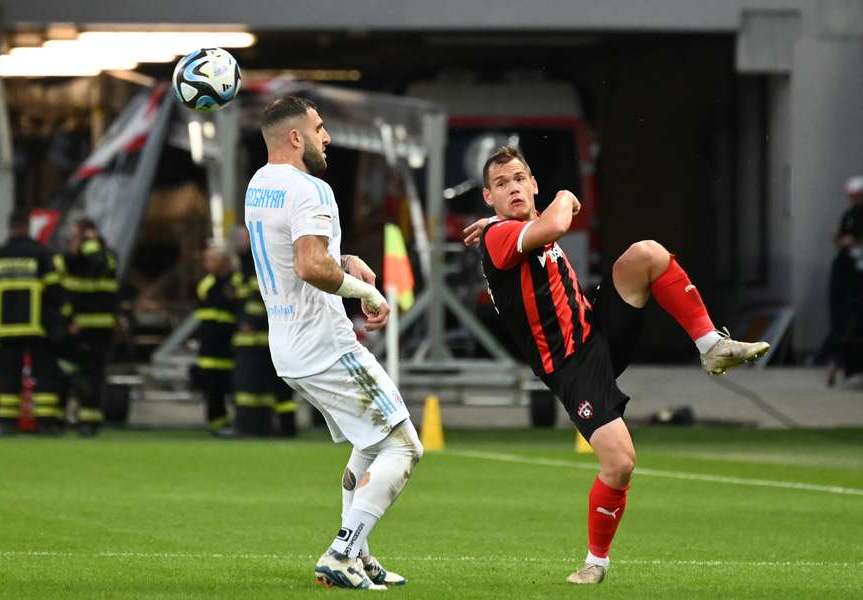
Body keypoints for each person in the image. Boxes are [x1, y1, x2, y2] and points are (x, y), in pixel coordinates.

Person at [462, 146, 770, 585]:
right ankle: (595, 563)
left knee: (646, 254)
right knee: (621, 463)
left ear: (532, 184)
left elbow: (549, 228)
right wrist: (567, 193)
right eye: (501, 184)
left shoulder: (522, 226)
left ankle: (710, 345)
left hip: (596, 328)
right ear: (488, 197)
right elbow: (557, 221)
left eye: (518, 179)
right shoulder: (498, 235)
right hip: (571, 366)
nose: (512, 188)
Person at [245, 96, 421, 590]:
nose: (327, 138)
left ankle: (359, 553)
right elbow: (308, 265)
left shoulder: (260, 185)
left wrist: (346, 261)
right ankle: (341, 552)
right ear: (296, 138)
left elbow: (297, 255)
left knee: (369, 444)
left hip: (290, 346)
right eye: (320, 129)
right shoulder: (311, 188)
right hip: (326, 345)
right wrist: (364, 290)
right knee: (405, 447)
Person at [0, 209, 67, 436]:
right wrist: (62, 320)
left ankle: (6, 424)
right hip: (38, 328)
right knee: (44, 375)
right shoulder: (40, 255)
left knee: (8, 376)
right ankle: (45, 424)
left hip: (6, 329)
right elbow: (56, 293)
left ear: (10, 227)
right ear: (26, 227)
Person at [55, 217, 119, 436]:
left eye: (76, 233)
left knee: (90, 375)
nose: (72, 238)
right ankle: (60, 419)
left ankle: (88, 421)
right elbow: (62, 288)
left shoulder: (103, 256)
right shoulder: (71, 258)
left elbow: (99, 265)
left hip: (93, 328)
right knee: (68, 373)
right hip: (74, 326)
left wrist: (91, 244)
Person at [232, 226, 297, 437]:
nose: (241, 241)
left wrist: (247, 319)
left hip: (262, 337)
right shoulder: (247, 263)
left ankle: (273, 427)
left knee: (272, 385)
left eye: (245, 237)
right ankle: (267, 426)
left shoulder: (257, 263)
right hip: (260, 339)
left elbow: (258, 298)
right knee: (269, 385)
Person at [194, 244, 241, 434]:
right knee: (212, 387)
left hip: (230, 343)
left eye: (211, 259)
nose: (207, 263)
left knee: (233, 385)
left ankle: (239, 421)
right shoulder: (205, 285)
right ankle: (216, 423)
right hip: (209, 345)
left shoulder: (236, 282)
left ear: (223, 261)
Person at [822, 176, 863, 386]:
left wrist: (854, 241)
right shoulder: (848, 215)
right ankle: (839, 362)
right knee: (844, 319)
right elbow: (841, 238)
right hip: (847, 275)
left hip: (858, 276)